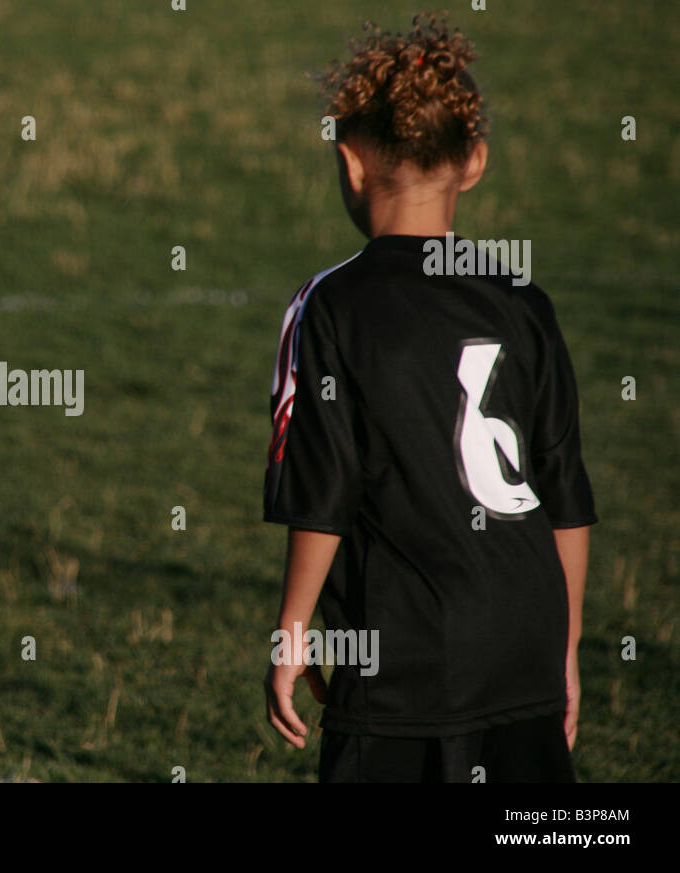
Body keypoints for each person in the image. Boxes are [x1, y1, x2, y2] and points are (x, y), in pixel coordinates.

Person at [261, 12, 596, 783]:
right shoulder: (521, 297)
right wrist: (565, 648)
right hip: (526, 647)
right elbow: (565, 492)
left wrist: (293, 629)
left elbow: (324, 491)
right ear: (473, 162)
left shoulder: (332, 305)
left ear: (349, 164)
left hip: (405, 660)